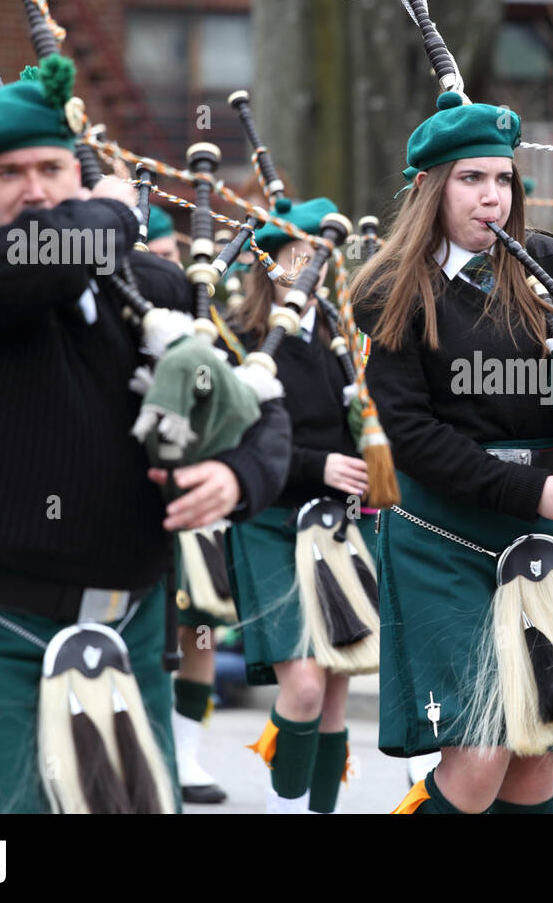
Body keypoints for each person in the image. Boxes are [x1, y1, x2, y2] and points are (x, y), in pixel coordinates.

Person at [0, 62, 290, 813]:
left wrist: (238, 477)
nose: (36, 189)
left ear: (77, 169)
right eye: (9, 172)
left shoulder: (149, 289)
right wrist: (114, 211)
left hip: (132, 624)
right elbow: (46, 254)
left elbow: (260, 407)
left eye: (52, 167)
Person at [352, 92, 553, 814]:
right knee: (481, 750)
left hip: (541, 538)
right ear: (431, 187)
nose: (492, 196)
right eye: (471, 179)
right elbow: (410, 433)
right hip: (444, 531)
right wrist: (528, 492)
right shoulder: (389, 289)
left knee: (534, 763)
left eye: (502, 179)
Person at [225, 194, 377, 814]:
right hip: (270, 523)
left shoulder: (344, 339)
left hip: (335, 526)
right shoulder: (243, 340)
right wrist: (320, 465)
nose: (312, 265)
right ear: (273, 264)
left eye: (321, 254)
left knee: (335, 689)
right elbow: (234, 444)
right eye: (299, 253)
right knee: (306, 688)